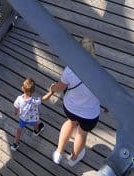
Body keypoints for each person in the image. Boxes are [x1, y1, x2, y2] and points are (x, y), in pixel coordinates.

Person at [41, 37, 102, 167]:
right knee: (82, 133)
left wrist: (52, 88)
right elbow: (105, 92)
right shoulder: (99, 72)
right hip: (89, 114)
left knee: (70, 123)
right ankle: (73, 158)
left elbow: (60, 87)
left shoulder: (70, 69)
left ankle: (58, 152)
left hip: (71, 108)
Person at [11, 77, 45, 151]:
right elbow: (44, 99)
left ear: (23, 89)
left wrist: (15, 112)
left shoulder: (19, 98)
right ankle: (36, 131)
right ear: (33, 91)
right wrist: (51, 92)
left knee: (19, 130)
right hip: (33, 119)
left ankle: (15, 144)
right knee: (35, 123)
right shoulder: (34, 100)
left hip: (22, 118)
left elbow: (16, 106)